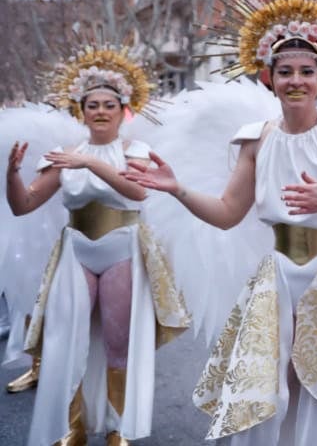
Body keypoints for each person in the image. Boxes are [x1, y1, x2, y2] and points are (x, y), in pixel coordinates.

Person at [122, 0, 317, 445]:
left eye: (307, 71)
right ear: (269, 77)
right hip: (276, 277)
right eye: (286, 71)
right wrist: (176, 189)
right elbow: (229, 212)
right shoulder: (256, 139)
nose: (296, 81)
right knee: (274, 393)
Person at [7, 45, 190, 446]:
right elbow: (23, 205)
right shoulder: (65, 157)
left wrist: (92, 164)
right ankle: (72, 426)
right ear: (82, 110)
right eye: (93, 105)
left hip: (122, 249)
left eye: (109, 104)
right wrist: (12, 175)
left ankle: (116, 427)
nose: (101, 111)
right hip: (77, 251)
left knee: (116, 342)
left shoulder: (134, 152)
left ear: (123, 109)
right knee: (66, 340)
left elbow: (136, 193)